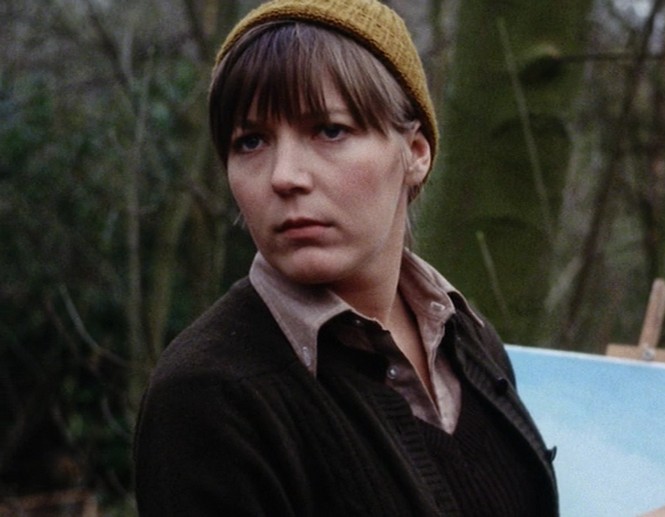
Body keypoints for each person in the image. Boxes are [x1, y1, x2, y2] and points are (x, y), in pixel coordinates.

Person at [133, 0, 557, 515]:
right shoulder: (210, 395)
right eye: (251, 142)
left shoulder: (468, 338)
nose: (284, 176)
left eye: (329, 130)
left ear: (415, 153)